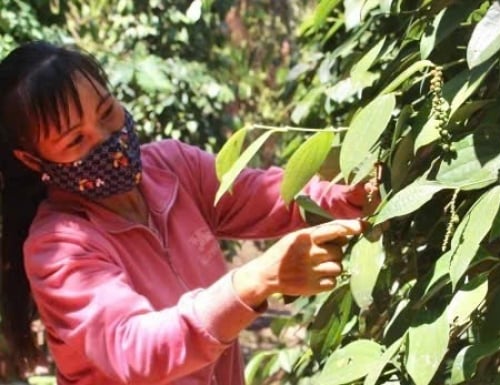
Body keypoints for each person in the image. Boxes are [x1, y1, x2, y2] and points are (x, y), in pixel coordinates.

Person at [0, 41, 371, 385]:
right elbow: (135, 348)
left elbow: (268, 195)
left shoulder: (173, 168)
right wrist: (254, 281)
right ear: (33, 160)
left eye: (107, 112)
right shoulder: (58, 247)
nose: (107, 138)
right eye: (76, 140)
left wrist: (351, 193)